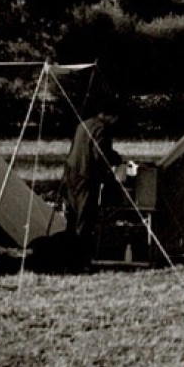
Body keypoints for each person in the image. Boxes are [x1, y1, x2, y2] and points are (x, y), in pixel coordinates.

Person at [62, 99, 123, 259]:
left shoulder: (84, 124)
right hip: (86, 175)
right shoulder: (101, 129)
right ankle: (80, 256)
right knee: (85, 215)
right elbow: (100, 155)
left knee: (72, 214)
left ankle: (68, 250)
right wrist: (116, 160)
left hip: (71, 173)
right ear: (110, 116)